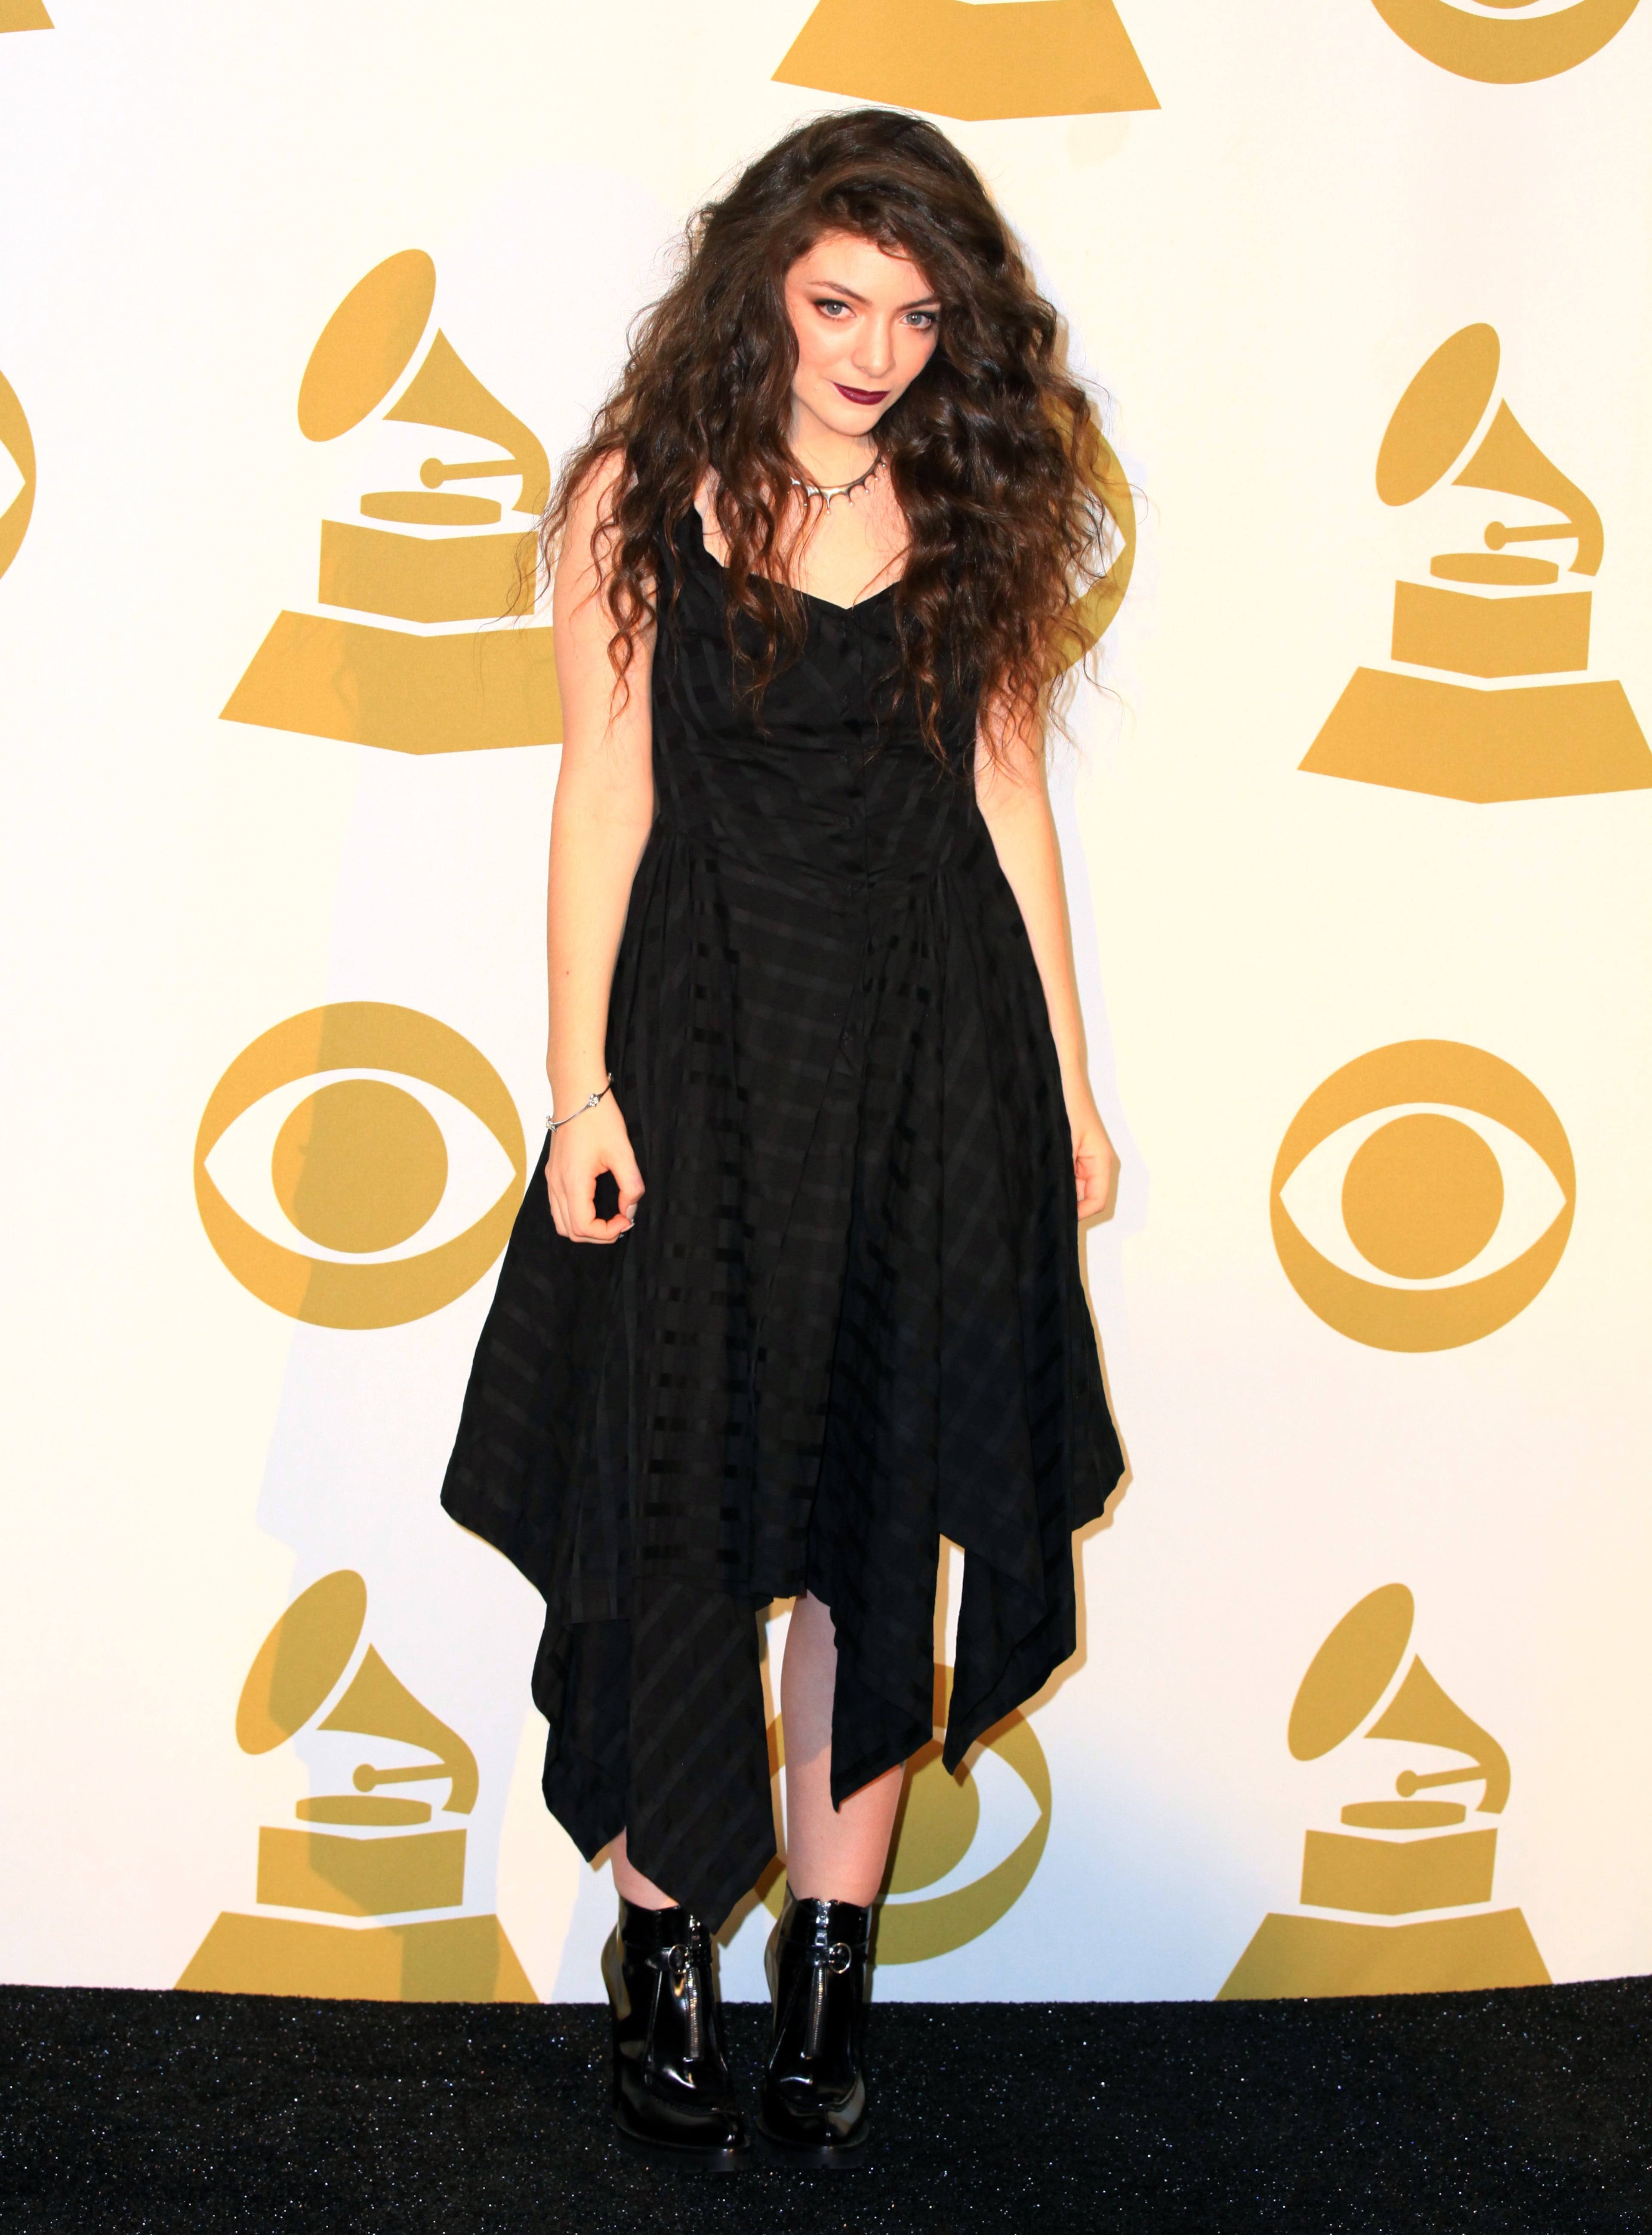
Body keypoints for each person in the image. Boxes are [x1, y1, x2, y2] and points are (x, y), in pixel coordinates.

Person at [442, 106, 1125, 2171]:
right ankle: (660, 1959)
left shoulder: (976, 493)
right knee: (676, 1516)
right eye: (839, 304)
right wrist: (577, 1085)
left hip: (925, 1053)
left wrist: (1072, 1088)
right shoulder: (637, 490)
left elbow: (1009, 798)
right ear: (759, 282)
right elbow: (603, 793)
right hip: (706, 1045)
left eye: (917, 316)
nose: (876, 352)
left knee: (869, 1524)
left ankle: (831, 1975)